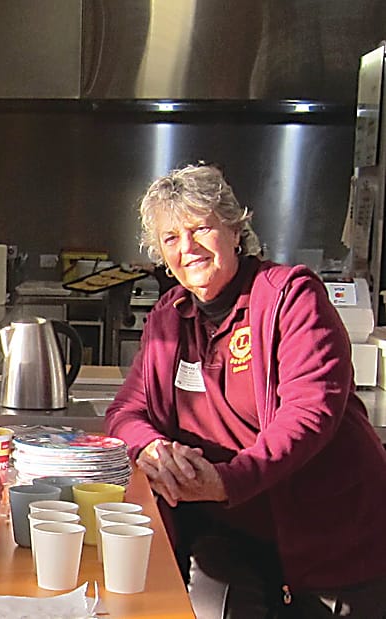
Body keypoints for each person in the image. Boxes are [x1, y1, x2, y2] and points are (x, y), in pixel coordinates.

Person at [105, 163, 386, 617]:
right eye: (171, 238)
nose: (188, 248)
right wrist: (152, 449)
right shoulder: (170, 317)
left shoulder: (290, 298)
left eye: (200, 229)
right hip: (231, 540)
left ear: (236, 230)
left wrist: (228, 480)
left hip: (332, 539)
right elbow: (127, 410)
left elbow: (309, 413)